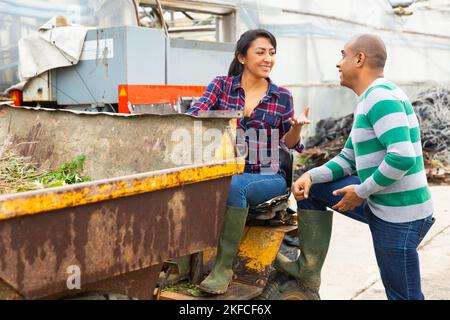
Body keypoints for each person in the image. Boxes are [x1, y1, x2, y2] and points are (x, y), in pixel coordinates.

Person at [275, 34, 435, 300]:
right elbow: (348, 158)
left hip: (401, 215)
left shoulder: (381, 98)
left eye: (343, 55)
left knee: (403, 296)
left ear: (359, 59)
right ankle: (308, 269)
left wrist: (361, 191)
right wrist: (311, 176)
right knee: (312, 189)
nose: (339, 63)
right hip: (380, 201)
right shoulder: (368, 99)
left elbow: (402, 157)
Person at [186, 29, 310, 294]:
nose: (268, 58)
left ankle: (223, 267)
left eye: (272, 53)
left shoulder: (282, 97)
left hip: (268, 176)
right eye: (261, 52)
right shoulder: (221, 86)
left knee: (236, 186)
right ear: (242, 57)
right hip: (225, 169)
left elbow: (288, 144)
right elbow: (195, 117)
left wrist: (296, 128)